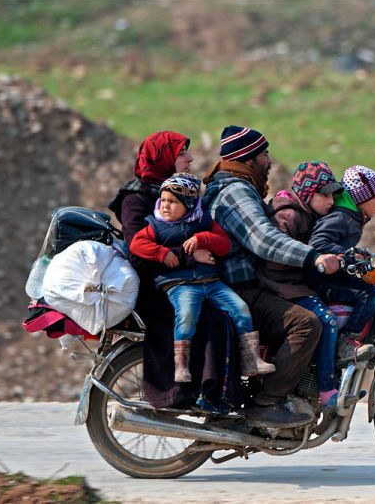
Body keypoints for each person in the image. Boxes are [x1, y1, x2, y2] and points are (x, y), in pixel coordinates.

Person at [203, 125, 341, 427]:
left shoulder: (240, 187)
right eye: (264, 154)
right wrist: (313, 257)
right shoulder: (236, 192)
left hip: (243, 286)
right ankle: (267, 402)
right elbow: (264, 240)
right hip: (238, 289)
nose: (269, 160)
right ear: (248, 158)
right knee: (307, 323)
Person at [109, 131, 235, 413]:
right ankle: (186, 395)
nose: (189, 158)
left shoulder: (175, 191)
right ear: (163, 158)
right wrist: (190, 255)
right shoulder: (136, 199)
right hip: (155, 288)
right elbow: (138, 253)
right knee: (206, 317)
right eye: (181, 154)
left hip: (181, 278)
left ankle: (215, 393)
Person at [129, 173, 274, 383]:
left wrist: (203, 238)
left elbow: (224, 245)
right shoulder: (155, 225)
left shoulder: (203, 221)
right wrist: (163, 253)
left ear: (188, 204)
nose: (165, 206)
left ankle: (251, 360)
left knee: (241, 309)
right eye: (163, 200)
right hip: (181, 285)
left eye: (173, 201)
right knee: (187, 317)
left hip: (212, 282)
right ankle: (181, 366)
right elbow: (136, 244)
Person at [256, 161, 345, 407]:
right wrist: (313, 261)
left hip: (292, 284)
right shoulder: (288, 215)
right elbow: (276, 255)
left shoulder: (309, 215)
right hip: (279, 287)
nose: (331, 201)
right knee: (326, 319)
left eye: (333, 195)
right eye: (324, 194)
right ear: (307, 193)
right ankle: (326, 389)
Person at [308, 165, 375, 365]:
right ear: (360, 198)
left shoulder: (352, 216)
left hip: (331, 276)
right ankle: (346, 342)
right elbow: (316, 244)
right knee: (369, 294)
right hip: (320, 279)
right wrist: (347, 254)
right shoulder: (342, 217)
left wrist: (358, 254)